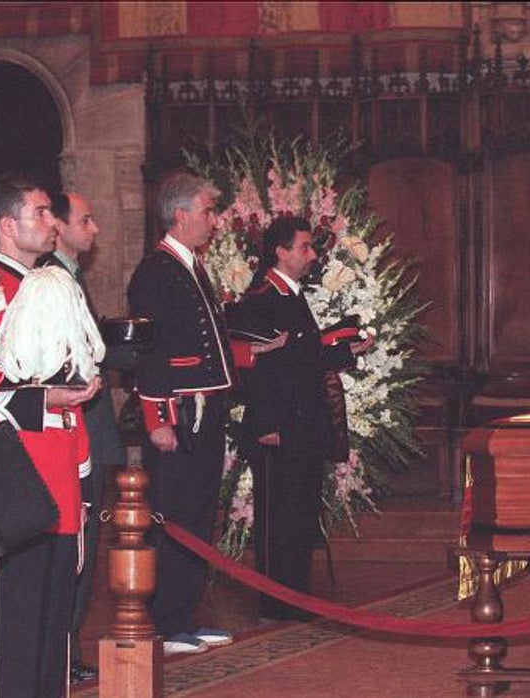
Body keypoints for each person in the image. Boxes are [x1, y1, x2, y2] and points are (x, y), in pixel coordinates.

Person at [0, 173, 101, 698]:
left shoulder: (50, 285)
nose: (53, 222)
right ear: (8, 226)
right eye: (41, 213)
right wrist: (46, 400)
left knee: (52, 630)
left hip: (61, 479)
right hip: (16, 489)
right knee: (11, 633)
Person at [227, 216, 372, 621]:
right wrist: (268, 425)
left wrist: (349, 351)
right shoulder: (262, 298)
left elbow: (303, 360)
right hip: (278, 426)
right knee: (278, 517)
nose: (311, 255)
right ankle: (275, 601)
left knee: (300, 512)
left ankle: (296, 596)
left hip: (303, 423)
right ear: (281, 251)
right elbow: (258, 369)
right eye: (305, 247)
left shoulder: (291, 295)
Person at [127, 172, 236, 656]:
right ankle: (166, 621)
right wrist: (158, 419)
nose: (214, 221)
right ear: (180, 214)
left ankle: (185, 614)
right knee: (174, 516)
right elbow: (148, 355)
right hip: (178, 414)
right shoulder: (156, 270)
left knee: (197, 515)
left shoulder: (191, 265)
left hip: (205, 410)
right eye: (207, 211)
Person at [42, 191, 126, 684]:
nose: (94, 229)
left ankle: (68, 648)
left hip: (91, 434)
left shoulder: (71, 277)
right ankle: (60, 651)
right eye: (86, 220)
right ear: (59, 227)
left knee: (84, 550)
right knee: (72, 551)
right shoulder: (50, 283)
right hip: (72, 437)